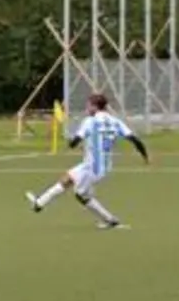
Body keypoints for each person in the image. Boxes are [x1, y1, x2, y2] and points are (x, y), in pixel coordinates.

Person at [25, 92, 149, 229]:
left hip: (92, 167)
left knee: (80, 195)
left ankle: (110, 220)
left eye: (88, 106)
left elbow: (74, 143)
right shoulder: (116, 122)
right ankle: (39, 204)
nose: (87, 109)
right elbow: (135, 140)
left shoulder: (90, 122)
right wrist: (145, 157)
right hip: (102, 166)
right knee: (67, 178)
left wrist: (71, 141)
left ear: (95, 107)